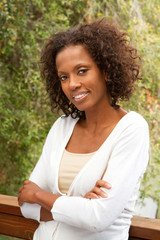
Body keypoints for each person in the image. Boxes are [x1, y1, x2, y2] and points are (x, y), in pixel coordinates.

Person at [18, 18, 149, 240]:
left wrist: (40, 195)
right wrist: (77, 205)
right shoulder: (62, 126)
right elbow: (25, 204)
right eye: (64, 77)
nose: (72, 84)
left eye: (82, 71)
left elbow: (97, 218)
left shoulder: (131, 129)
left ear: (106, 71)